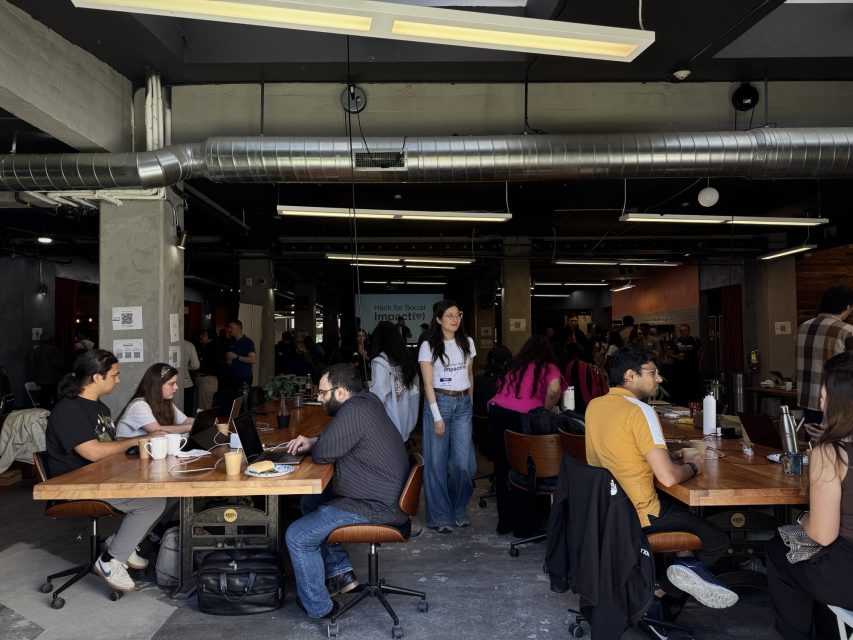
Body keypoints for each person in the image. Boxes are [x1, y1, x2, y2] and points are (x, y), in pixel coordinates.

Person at [585, 345, 737, 619]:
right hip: (643, 512)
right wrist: (693, 465)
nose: (660, 379)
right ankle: (660, 592)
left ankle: (683, 563)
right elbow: (667, 478)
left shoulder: (595, 406)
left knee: (685, 517)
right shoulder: (641, 411)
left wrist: (664, 455)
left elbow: (621, 452)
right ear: (631, 375)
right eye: (653, 372)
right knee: (717, 539)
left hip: (608, 508)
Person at [283, 364, 410, 620]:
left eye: (322, 393)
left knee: (297, 536)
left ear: (340, 392)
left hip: (374, 505)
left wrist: (315, 444)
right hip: (382, 495)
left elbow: (322, 455)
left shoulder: (353, 412)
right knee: (311, 501)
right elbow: (333, 440)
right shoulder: (365, 401)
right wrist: (313, 440)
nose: (318, 398)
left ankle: (320, 608)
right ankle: (341, 575)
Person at [45, 349, 170, 592]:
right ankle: (110, 561)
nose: (119, 380)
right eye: (115, 375)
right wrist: (136, 440)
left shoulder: (98, 407)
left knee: (169, 492)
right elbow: (92, 452)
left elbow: (110, 445)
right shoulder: (69, 410)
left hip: (103, 478)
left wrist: (139, 442)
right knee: (152, 503)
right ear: (96, 377)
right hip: (78, 486)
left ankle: (120, 543)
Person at [766, 364, 853, 640]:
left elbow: (823, 535)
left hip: (846, 571)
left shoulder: (832, 452)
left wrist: (803, 518)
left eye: (824, 395)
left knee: (779, 549)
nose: (820, 401)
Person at [488, 336, 565, 535]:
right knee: (527, 469)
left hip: (498, 415)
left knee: (503, 468)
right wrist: (545, 410)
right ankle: (526, 526)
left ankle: (505, 522)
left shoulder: (514, 365)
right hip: (523, 420)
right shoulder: (548, 367)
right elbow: (555, 389)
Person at [418, 299, 476, 533]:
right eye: (450, 315)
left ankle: (458, 507)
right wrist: (436, 416)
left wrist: (470, 404)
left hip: (463, 403)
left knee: (464, 465)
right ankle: (440, 516)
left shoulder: (467, 342)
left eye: (458, 314)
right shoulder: (428, 345)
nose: (455, 319)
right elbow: (427, 383)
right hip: (438, 403)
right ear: (439, 319)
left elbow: (470, 375)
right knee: (436, 463)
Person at [795, 285, 853, 425]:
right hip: (835, 398)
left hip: (806, 396)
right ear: (847, 306)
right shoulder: (847, 331)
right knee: (834, 441)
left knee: (813, 437)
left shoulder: (802, 327)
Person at [368, 321, 420, 441]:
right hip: (407, 416)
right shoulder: (406, 358)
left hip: (388, 422)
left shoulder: (380, 362)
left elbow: (379, 395)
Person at [116, 363, 193, 438]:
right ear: (157, 385)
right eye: (171, 384)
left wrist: (201, 422)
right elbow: (157, 430)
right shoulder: (139, 405)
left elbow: (184, 420)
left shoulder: (165, 402)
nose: (176, 387)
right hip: (127, 450)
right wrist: (190, 427)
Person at [25, 332, 65, 408]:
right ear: (50, 340)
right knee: (56, 401)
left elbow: (31, 365)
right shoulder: (54, 350)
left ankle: (43, 416)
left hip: (41, 380)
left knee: (44, 400)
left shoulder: (36, 351)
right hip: (54, 379)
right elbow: (60, 364)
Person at [670, 323, 703, 405]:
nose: (683, 332)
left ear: (689, 331)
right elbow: (668, 353)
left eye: (685, 330)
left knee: (693, 389)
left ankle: (693, 406)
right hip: (679, 370)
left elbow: (702, 351)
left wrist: (700, 364)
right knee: (681, 389)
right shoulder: (676, 341)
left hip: (693, 369)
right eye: (681, 331)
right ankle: (681, 405)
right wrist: (676, 356)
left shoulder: (695, 340)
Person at [225, 320, 256, 395]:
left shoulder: (248, 342)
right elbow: (230, 361)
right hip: (232, 377)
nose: (229, 330)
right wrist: (229, 362)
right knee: (234, 400)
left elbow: (253, 359)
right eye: (229, 328)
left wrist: (236, 357)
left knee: (243, 400)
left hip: (244, 377)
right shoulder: (232, 342)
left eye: (231, 328)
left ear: (238, 328)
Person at [194, 330, 220, 412]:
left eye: (204, 335)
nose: (201, 336)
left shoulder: (211, 351)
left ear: (210, 339)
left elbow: (200, 366)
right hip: (205, 381)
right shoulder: (204, 349)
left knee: (203, 409)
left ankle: (204, 425)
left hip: (207, 381)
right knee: (201, 408)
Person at [180, 338, 200, 415]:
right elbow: (196, 365)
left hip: (168, 383)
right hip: (186, 383)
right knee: (187, 413)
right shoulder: (189, 344)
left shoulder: (165, 343)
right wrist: (185, 367)